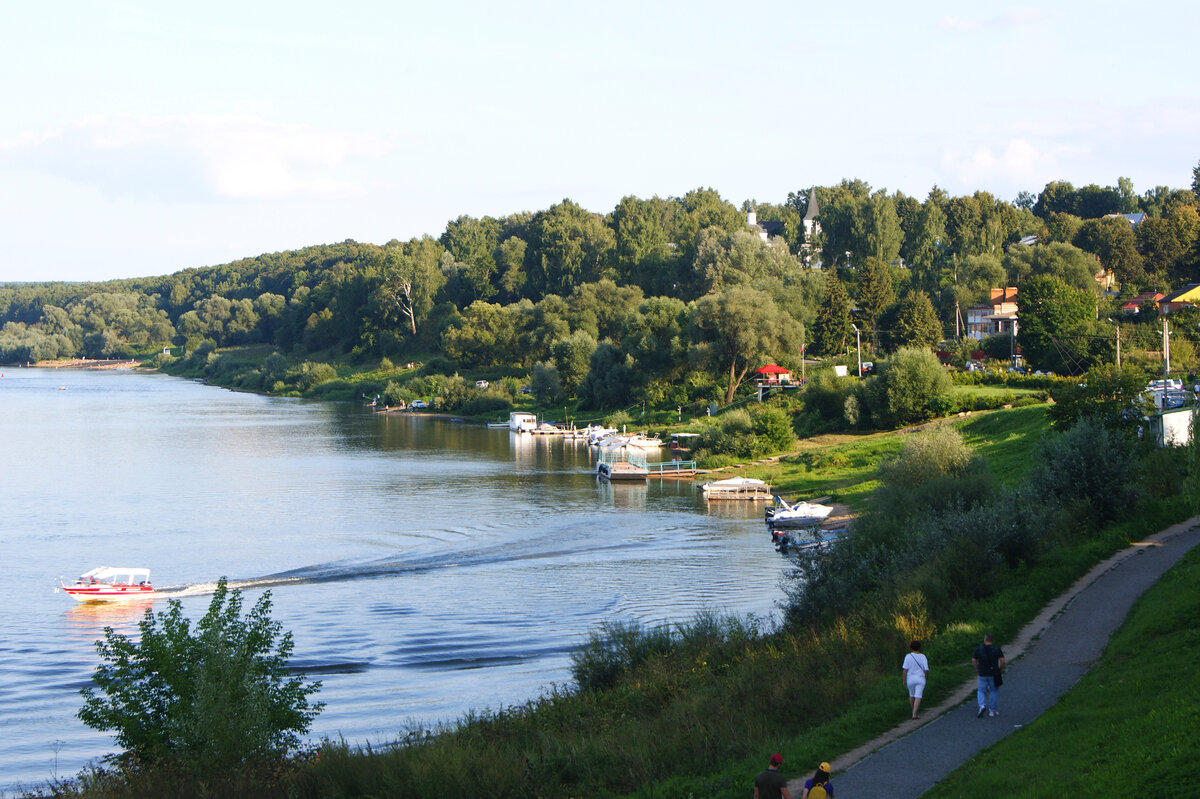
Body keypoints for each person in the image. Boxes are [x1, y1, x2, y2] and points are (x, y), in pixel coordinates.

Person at [972, 633, 1006, 718]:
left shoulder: (979, 649)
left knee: (981, 690)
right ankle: (992, 711)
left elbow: (973, 660)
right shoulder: (996, 649)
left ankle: (982, 705)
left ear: (985, 639)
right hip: (993, 673)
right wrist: (999, 669)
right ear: (992, 640)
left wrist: (977, 668)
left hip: (982, 673)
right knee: (993, 691)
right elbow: (1002, 661)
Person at [902, 639, 930, 719]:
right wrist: (926, 677)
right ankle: (914, 714)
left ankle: (913, 710)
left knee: (911, 695)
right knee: (918, 696)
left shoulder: (908, 656)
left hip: (910, 679)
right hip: (920, 678)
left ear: (911, 647)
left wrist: (904, 680)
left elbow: (905, 669)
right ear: (919, 647)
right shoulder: (923, 656)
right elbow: (926, 669)